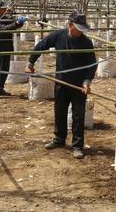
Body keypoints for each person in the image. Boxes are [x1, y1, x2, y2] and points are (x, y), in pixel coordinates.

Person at [25, 11, 97, 159]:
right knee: (60, 111)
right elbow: (40, 46)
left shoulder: (86, 42)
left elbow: (92, 65)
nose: (79, 33)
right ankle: (59, 139)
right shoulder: (58, 36)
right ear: (69, 25)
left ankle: (77, 146)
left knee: (78, 115)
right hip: (61, 82)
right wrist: (30, 62)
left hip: (79, 85)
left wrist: (87, 81)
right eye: (77, 29)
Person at [0, 1, 26, 98]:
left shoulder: (4, 17)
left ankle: (0, 89)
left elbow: (11, 23)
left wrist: (19, 22)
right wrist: (17, 23)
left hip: (6, 47)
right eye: (4, 8)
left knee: (5, 69)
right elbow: (6, 28)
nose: (6, 9)